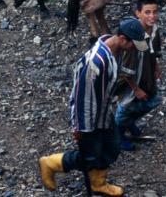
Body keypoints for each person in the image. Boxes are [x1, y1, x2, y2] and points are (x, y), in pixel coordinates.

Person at [39, 18, 148, 196]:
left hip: (104, 111)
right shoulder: (96, 63)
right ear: (122, 38)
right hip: (89, 117)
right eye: (133, 44)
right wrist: (81, 127)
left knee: (112, 147)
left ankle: (98, 182)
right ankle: (52, 163)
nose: (134, 48)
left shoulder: (116, 49)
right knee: (89, 156)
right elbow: (84, 98)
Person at [115, 0, 162, 151]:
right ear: (138, 14)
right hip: (131, 79)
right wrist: (136, 89)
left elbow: (154, 52)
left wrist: (156, 66)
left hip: (146, 74)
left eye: (155, 12)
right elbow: (125, 70)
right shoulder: (133, 36)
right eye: (147, 12)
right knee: (126, 105)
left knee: (153, 100)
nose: (152, 16)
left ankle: (128, 123)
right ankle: (118, 135)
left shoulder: (155, 30)